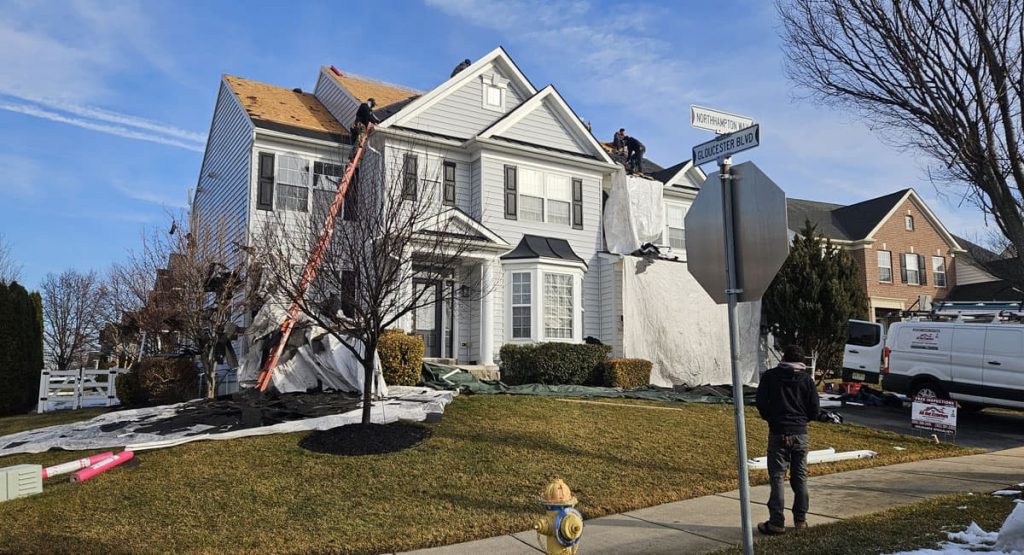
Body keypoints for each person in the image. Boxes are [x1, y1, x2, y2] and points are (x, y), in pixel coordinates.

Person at [756, 345, 819, 535]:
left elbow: (760, 403)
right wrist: (801, 421)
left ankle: (776, 522)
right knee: (800, 477)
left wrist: (772, 419)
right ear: (803, 362)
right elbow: (815, 409)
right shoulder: (807, 380)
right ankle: (800, 520)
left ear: (783, 358)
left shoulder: (770, 376)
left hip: (778, 432)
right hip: (800, 433)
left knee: (777, 478)